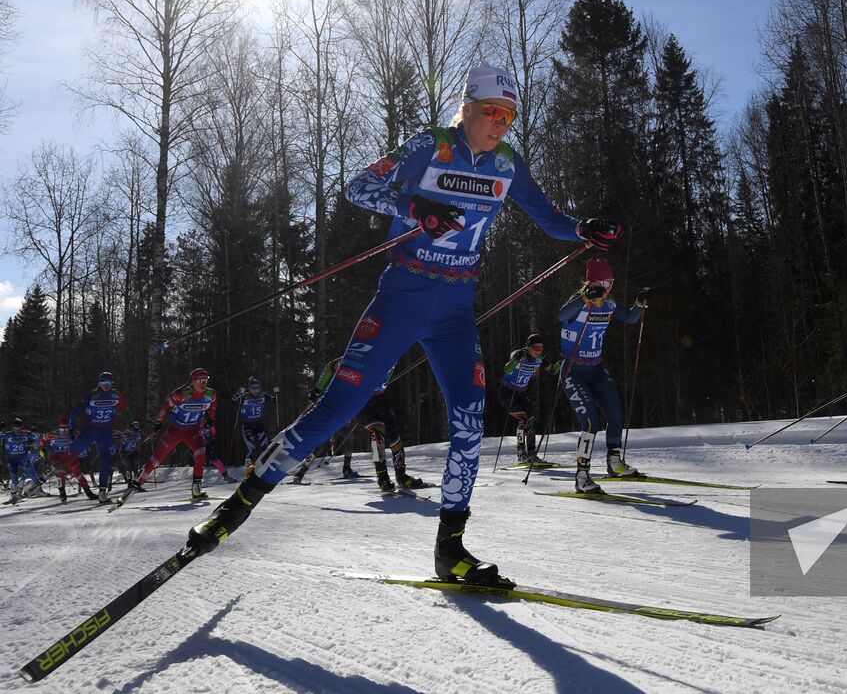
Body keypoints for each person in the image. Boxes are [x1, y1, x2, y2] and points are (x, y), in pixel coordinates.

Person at [188, 64, 620, 588]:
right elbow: (359, 188)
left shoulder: (508, 163)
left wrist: (582, 229)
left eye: (509, 116)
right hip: (403, 292)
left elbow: (546, 215)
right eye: (492, 112)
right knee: (338, 408)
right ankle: (234, 509)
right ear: (468, 108)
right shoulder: (431, 145)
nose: (501, 124)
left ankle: (451, 550)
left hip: (455, 307)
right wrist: (415, 205)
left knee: (468, 421)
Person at [558, 258, 650, 494]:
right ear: (590, 282)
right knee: (590, 423)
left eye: (610, 282)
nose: (607, 287)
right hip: (573, 370)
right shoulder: (579, 301)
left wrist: (639, 304)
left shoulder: (608, 303)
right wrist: (585, 297)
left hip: (596, 368)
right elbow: (561, 315)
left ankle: (614, 463)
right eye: (602, 282)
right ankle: (582, 476)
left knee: (616, 413)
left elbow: (629, 317)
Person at [130, 368, 218, 501]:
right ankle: (137, 483)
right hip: (175, 431)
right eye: (200, 380)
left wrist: (211, 418)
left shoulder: (210, 394)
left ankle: (196, 488)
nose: (203, 383)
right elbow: (166, 406)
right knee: (156, 460)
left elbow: (214, 405)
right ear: (193, 381)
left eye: (206, 380)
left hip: (193, 431)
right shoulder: (183, 394)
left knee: (201, 452)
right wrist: (159, 421)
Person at [69, 371, 131, 500]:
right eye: (104, 383)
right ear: (99, 384)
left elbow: (125, 410)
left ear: (112, 384)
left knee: (105, 460)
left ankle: (102, 490)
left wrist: (131, 424)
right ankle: (52, 471)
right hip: (91, 429)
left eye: (109, 383)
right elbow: (75, 411)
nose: (106, 386)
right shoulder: (92, 395)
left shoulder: (116, 395)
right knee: (74, 451)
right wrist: (71, 428)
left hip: (106, 431)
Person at [498, 332, 558, 465]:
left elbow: (552, 370)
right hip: (508, 393)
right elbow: (507, 370)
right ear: (529, 347)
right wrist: (515, 360)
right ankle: (521, 453)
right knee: (523, 417)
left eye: (541, 348)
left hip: (521, 394)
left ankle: (532, 454)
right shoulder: (520, 354)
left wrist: (561, 364)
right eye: (535, 348)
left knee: (531, 418)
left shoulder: (540, 358)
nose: (538, 351)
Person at [359, 379, 427, 493]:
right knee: (377, 434)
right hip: (362, 406)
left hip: (381, 403)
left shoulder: (386, 362)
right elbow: (331, 370)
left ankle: (401, 476)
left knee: (395, 438)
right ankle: (382, 478)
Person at [41, 418, 97, 502]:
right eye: (61, 429)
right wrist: (42, 450)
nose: (64, 431)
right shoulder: (52, 434)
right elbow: (42, 440)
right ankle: (62, 493)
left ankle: (88, 492)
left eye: (66, 429)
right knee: (59, 475)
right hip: (56, 457)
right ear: (58, 428)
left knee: (78, 473)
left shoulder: (72, 433)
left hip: (68, 457)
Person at [233, 378, 275, 478]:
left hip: (259, 425)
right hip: (247, 425)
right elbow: (233, 400)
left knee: (265, 447)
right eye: (253, 388)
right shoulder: (245, 396)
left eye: (257, 388)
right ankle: (248, 473)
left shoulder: (263, 395)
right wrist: (239, 393)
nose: (255, 391)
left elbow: (274, 399)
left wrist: (276, 392)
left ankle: (266, 469)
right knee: (251, 449)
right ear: (249, 388)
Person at [5, 419, 43, 503]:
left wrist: (33, 433)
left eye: (19, 428)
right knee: (14, 478)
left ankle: (36, 488)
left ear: (22, 428)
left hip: (23, 458)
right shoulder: (9, 434)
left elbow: (36, 436)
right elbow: (1, 435)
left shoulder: (26, 433)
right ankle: (14, 495)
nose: (18, 430)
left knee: (32, 474)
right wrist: (2, 430)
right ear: (13, 428)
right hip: (12, 459)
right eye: (16, 429)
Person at [116, 422, 145, 489]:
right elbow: (122, 439)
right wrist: (125, 436)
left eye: (138, 426)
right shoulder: (127, 432)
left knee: (135, 468)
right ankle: (129, 483)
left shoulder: (138, 433)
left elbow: (139, 440)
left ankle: (137, 484)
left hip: (134, 452)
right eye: (135, 426)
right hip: (125, 452)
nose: (137, 428)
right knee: (128, 468)